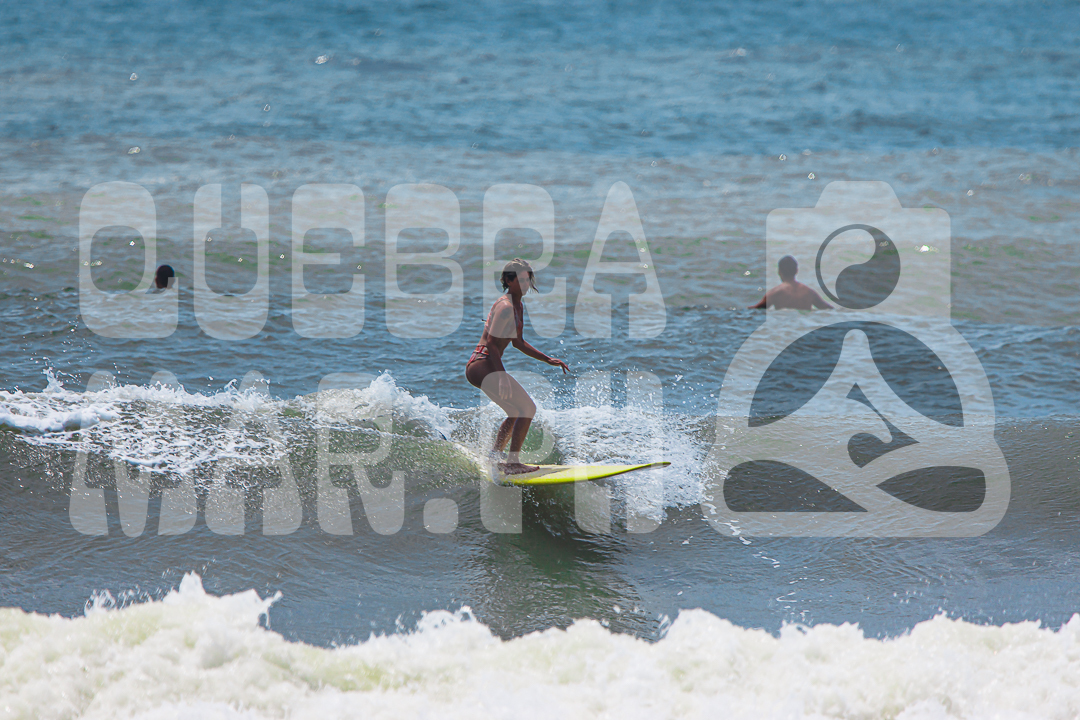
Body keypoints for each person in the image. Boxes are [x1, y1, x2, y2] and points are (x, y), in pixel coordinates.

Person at [466, 259, 569, 475]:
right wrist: (501, 376)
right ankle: (512, 462)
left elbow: (518, 342)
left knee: (515, 411)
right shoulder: (505, 307)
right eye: (520, 280)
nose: (525, 285)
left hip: (484, 366)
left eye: (527, 280)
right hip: (482, 364)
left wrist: (547, 359)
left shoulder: (517, 305)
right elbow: (491, 343)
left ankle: (495, 456)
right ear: (507, 280)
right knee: (528, 409)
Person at [749, 255, 832, 310]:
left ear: (779, 271)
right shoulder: (809, 293)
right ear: (796, 271)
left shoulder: (775, 293)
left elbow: (757, 310)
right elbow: (829, 309)